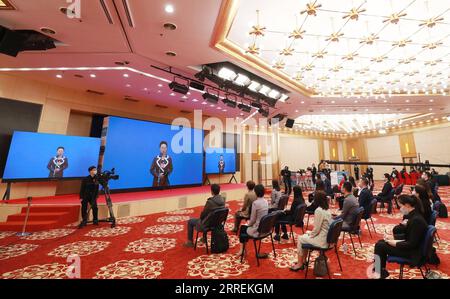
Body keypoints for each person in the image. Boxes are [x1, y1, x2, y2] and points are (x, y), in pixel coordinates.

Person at [373, 194, 428, 279]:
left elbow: (411, 244)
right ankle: (380, 270)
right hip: (413, 248)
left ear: (407, 205)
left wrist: (393, 243)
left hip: (413, 252)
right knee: (380, 242)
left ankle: (378, 272)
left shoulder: (416, 220)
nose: (400, 209)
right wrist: (393, 238)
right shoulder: (414, 216)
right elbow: (409, 236)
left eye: (400, 206)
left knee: (379, 246)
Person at [290, 191, 332, 271]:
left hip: (322, 241)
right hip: (327, 238)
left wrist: (310, 235)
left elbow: (316, 229)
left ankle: (300, 264)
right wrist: (310, 234)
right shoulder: (327, 209)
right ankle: (303, 261)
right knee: (305, 236)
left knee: (300, 238)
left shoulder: (319, 210)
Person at [236, 184, 269, 257]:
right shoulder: (266, 201)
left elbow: (252, 220)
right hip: (266, 228)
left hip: (258, 229)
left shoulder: (255, 203)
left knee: (242, 228)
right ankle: (242, 250)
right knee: (244, 228)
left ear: (256, 192)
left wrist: (248, 224)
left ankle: (242, 250)